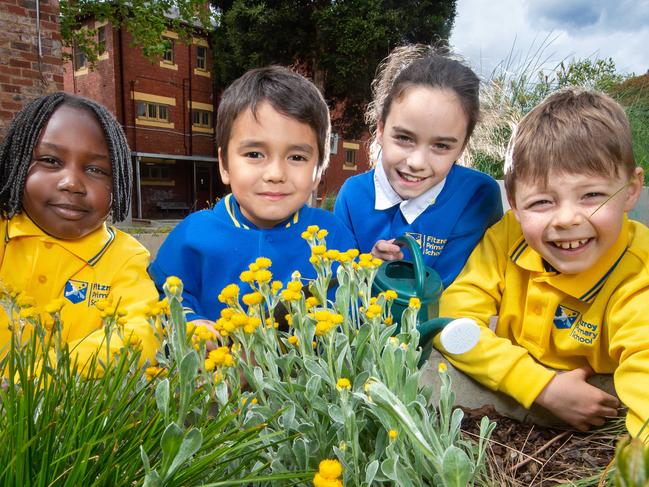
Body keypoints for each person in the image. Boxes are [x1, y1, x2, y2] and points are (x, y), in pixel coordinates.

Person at [431, 87, 648, 438]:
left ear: (631, 190)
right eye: (542, 202)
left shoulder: (639, 273)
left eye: (591, 195)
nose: (566, 219)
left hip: (596, 395)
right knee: (424, 372)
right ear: (514, 205)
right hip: (514, 378)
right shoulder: (507, 236)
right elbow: (454, 321)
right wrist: (540, 386)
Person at [150, 66, 356, 325]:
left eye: (297, 157)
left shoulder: (332, 237)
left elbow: (352, 307)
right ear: (224, 165)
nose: (275, 173)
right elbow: (163, 295)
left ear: (318, 171)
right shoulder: (193, 234)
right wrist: (191, 322)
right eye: (255, 154)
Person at [0, 93, 159, 367]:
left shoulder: (125, 257)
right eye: (50, 161)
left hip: (79, 406)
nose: (72, 183)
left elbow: (141, 334)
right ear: (17, 163)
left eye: (95, 169)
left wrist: (35, 379)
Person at [334, 45, 503, 288]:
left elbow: (474, 287)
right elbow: (335, 286)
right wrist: (366, 268)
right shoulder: (353, 196)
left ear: (462, 147)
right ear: (380, 130)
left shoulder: (478, 197)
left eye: (442, 146)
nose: (416, 163)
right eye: (404, 138)